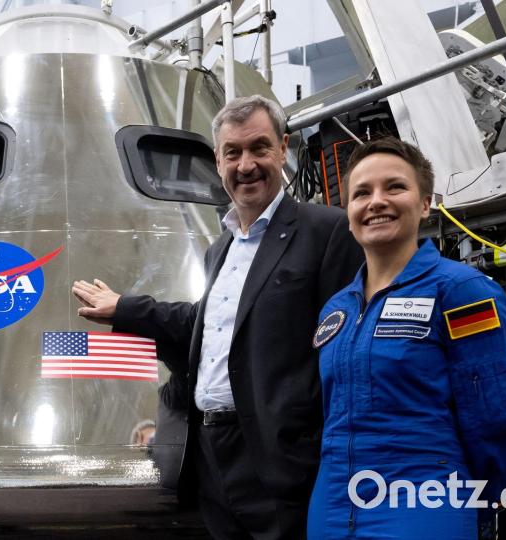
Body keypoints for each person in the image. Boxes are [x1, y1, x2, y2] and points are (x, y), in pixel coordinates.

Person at [72, 95, 364, 539]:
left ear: (283, 148)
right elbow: (206, 328)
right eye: (233, 153)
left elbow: (348, 356)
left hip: (281, 464)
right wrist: (125, 309)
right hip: (212, 458)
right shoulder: (221, 249)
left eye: (259, 148)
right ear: (218, 160)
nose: (246, 165)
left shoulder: (326, 231)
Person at [306, 138, 506, 539]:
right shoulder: (335, 311)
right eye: (361, 193)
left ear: (425, 203)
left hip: (422, 502)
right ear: (349, 212)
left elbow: (498, 416)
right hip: (332, 508)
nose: (376, 201)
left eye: (395, 187)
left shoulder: (463, 292)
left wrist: (474, 500)